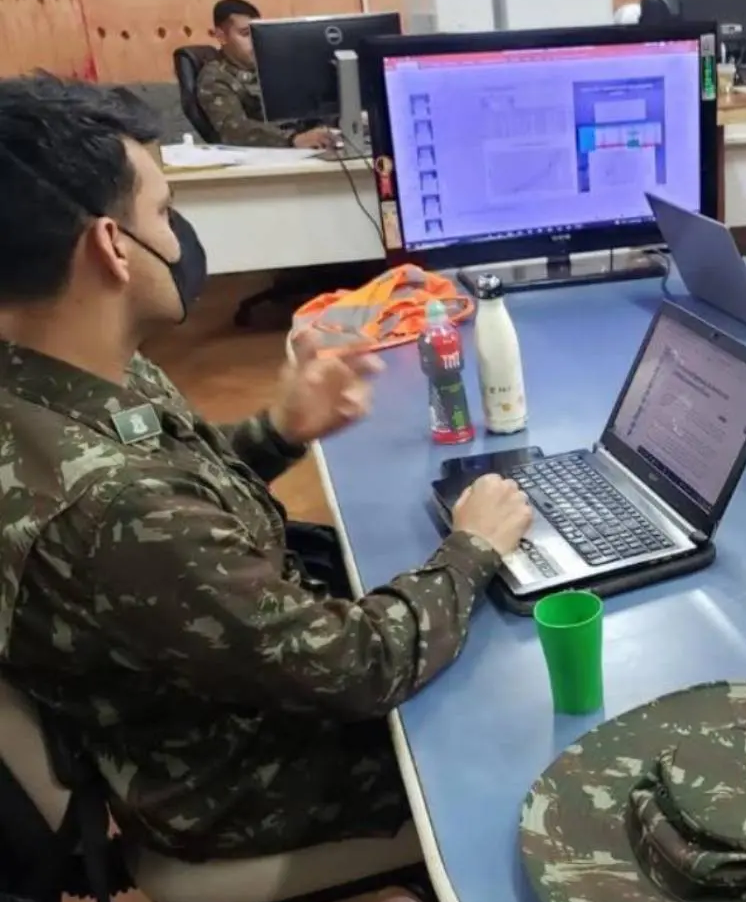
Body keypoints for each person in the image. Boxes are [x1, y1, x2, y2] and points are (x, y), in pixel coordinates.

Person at [0, 76, 531, 861]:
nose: (177, 236)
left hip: (225, 685)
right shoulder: (109, 511)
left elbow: (180, 490)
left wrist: (281, 430)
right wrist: (472, 546)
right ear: (111, 247)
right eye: (160, 209)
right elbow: (359, 667)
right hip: (249, 776)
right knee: (527, 700)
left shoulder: (59, 374)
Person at [195, 0, 331, 149]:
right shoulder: (216, 77)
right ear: (221, 36)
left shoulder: (271, 66)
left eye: (256, 34)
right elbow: (234, 130)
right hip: (264, 155)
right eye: (245, 34)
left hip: (302, 147)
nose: (254, 41)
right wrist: (292, 139)